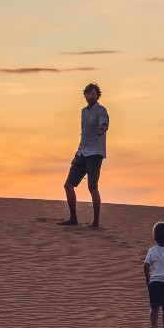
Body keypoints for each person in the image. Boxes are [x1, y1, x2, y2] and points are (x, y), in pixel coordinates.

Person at [58, 82, 109, 228]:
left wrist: (102, 128)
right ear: (85, 95)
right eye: (88, 93)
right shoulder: (84, 111)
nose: (90, 96)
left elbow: (104, 122)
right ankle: (73, 218)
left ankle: (96, 222)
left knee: (92, 187)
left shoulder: (101, 110)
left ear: (97, 96)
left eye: (93, 93)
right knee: (68, 185)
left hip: (95, 153)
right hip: (82, 152)